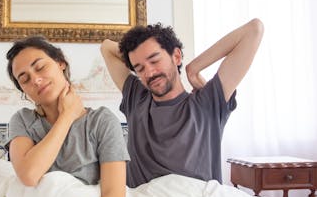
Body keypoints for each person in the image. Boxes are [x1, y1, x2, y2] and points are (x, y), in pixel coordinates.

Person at [100, 18, 264, 188]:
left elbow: (254, 29)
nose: (149, 72)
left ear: (176, 56)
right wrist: (134, 59)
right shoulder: (136, 99)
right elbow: (106, 46)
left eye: (155, 61)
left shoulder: (208, 102)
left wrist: (193, 68)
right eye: (139, 68)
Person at [6, 36, 129, 197]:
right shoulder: (23, 121)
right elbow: (29, 175)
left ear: (60, 63)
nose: (35, 80)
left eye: (40, 67)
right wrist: (67, 116)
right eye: (24, 79)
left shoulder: (102, 121)